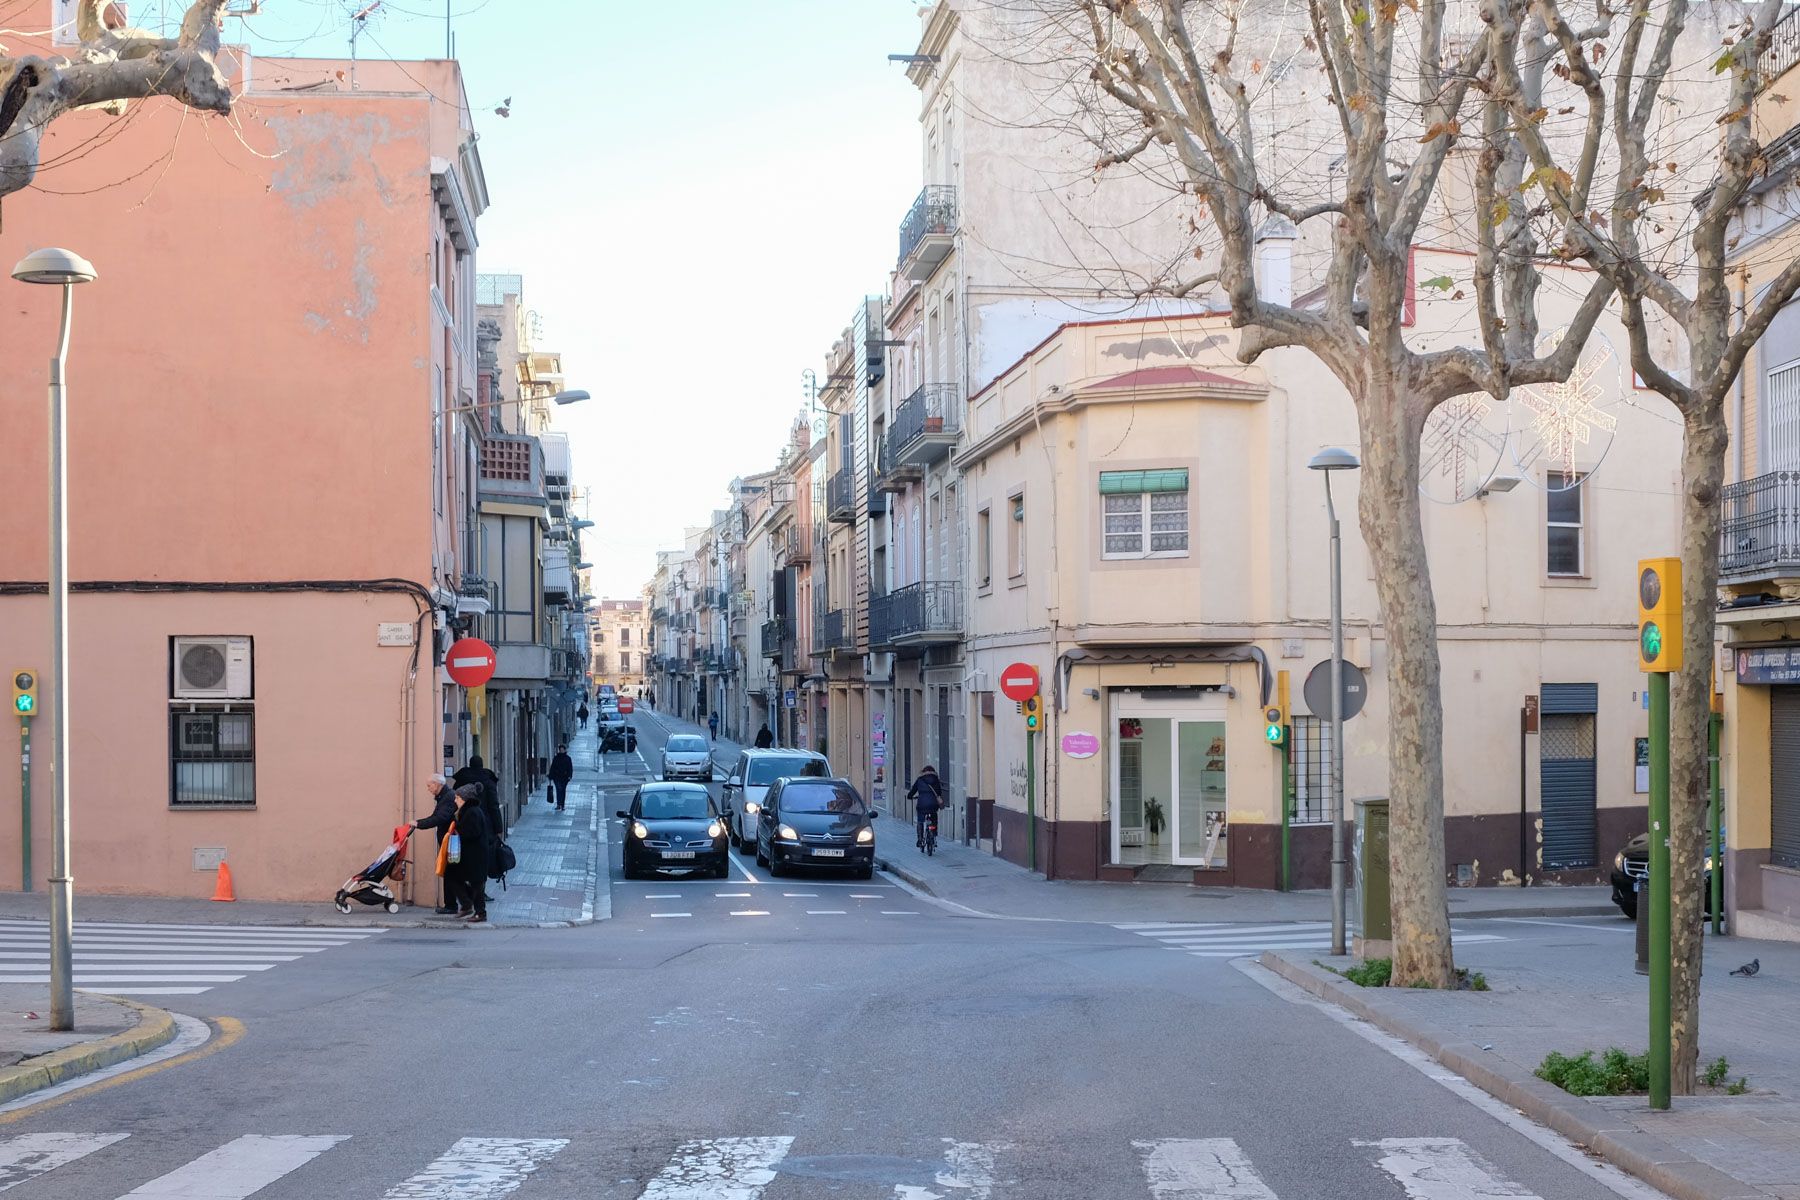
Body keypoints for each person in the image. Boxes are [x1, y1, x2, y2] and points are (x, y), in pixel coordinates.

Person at [411, 774, 462, 915]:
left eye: (429, 785)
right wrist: (419, 823)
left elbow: (440, 818)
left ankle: (452, 905)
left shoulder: (447, 798)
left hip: (450, 841)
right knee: (450, 872)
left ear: (438, 784)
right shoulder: (444, 797)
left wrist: (419, 824)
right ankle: (454, 903)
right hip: (448, 840)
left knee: (451, 872)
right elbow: (436, 816)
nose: (428, 789)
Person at [447, 784, 490, 923]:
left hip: (475, 856)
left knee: (477, 884)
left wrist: (457, 829)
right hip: (469, 855)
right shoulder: (467, 811)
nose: (455, 801)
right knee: (453, 875)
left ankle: (480, 913)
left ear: (465, 799)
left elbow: (472, 833)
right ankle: (467, 904)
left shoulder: (472, 812)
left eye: (457, 798)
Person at [908, 765, 944, 850]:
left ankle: (920, 839)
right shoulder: (936, 780)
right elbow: (939, 792)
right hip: (933, 804)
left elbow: (913, 790)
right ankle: (934, 833)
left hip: (922, 804)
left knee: (920, 821)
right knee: (934, 816)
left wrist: (909, 796)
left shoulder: (920, 780)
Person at [548, 742, 574, 811]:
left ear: (565, 750)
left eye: (563, 749)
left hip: (565, 778)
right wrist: (550, 776)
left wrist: (570, 776)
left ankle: (562, 805)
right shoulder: (556, 758)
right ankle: (558, 804)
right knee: (558, 789)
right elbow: (552, 767)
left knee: (563, 790)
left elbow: (570, 768)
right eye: (560, 749)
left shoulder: (568, 758)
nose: (561, 751)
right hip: (556, 777)